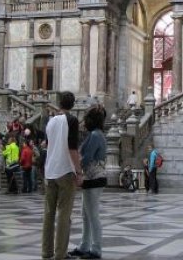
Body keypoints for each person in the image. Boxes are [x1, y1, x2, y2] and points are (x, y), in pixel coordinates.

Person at [41, 91, 82, 260]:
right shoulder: (71, 120)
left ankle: (46, 251)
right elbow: (72, 148)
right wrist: (79, 171)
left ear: (59, 103)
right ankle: (60, 253)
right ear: (72, 105)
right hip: (65, 171)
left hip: (50, 171)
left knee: (49, 213)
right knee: (64, 214)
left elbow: (47, 144)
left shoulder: (51, 121)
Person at [69, 105, 107, 260]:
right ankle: (84, 245)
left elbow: (87, 157)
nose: (84, 122)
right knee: (85, 215)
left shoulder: (96, 135)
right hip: (91, 179)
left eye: (86, 119)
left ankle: (96, 248)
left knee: (92, 215)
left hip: (94, 178)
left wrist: (74, 168)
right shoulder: (95, 134)